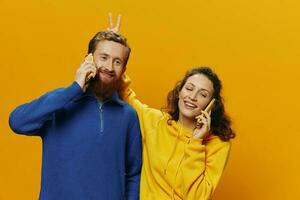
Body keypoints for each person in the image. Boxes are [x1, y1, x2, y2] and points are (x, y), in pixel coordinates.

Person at [8, 17, 142, 200]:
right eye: (104, 57)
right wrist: (74, 89)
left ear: (124, 69)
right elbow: (17, 122)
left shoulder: (128, 116)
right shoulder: (60, 104)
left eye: (117, 62)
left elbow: (133, 173)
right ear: (88, 59)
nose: (109, 67)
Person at [119, 67, 236, 200]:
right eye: (189, 88)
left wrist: (196, 141)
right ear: (179, 91)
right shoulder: (155, 122)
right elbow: (125, 93)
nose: (192, 97)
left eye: (203, 94)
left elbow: (197, 197)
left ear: (211, 104)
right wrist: (98, 58)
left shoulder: (218, 144)